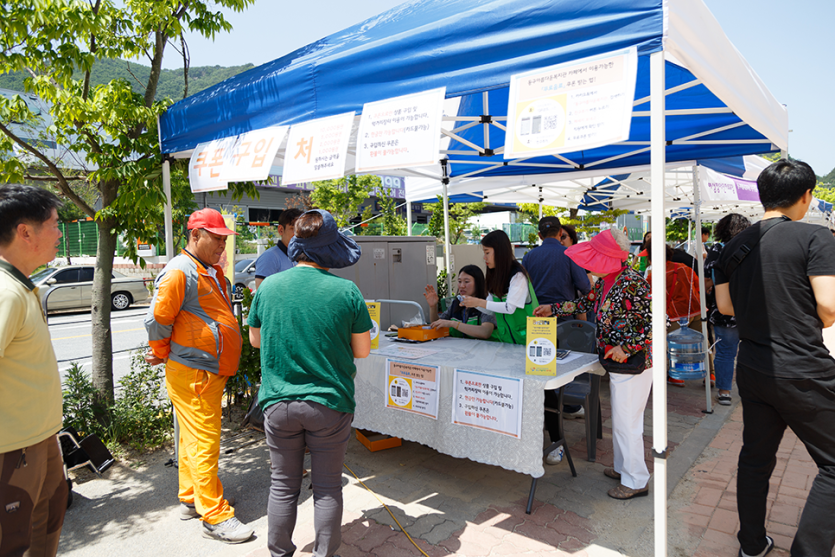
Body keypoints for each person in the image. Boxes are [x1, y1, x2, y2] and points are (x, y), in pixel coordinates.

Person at [714, 159, 835, 557]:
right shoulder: (816, 237)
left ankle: (751, 544)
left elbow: (726, 307)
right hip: (803, 368)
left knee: (755, 458)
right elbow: (829, 308)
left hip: (752, 366)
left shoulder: (732, 245)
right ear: (806, 196)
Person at [248, 209, 372, 557]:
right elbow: (361, 350)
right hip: (329, 404)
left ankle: (279, 552)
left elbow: (256, 340)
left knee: (283, 485)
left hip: (277, 402)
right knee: (328, 487)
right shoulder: (346, 291)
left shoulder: (268, 286)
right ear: (330, 250)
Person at [144, 208, 253, 544]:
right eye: (216, 238)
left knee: (194, 438)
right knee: (205, 441)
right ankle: (215, 515)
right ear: (195, 235)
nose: (222, 245)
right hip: (194, 371)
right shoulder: (180, 271)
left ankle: (192, 498)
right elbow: (157, 320)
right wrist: (162, 352)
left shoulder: (203, 269)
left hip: (200, 369)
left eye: (224, 239)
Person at [535, 229, 654, 500]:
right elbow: (584, 301)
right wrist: (552, 309)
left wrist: (626, 347)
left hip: (633, 362)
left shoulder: (633, 282)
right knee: (624, 420)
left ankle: (636, 480)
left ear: (609, 257)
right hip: (619, 362)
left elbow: (650, 322)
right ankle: (624, 468)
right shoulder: (608, 281)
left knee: (628, 423)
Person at [0, 185, 67, 556]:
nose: (60, 233)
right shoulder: (5, 293)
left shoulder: (19, 287)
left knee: (45, 529)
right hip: (12, 452)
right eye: (54, 224)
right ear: (25, 232)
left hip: (39, 440)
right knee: (15, 543)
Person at [459, 229, 538, 345]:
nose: (484, 258)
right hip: (507, 341)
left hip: (530, 341)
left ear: (500, 251)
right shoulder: (494, 275)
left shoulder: (518, 275)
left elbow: (509, 308)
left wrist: (479, 302)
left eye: (487, 252)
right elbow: (490, 310)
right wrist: (472, 303)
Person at [704, 214, 750, 405]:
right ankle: (751, 390)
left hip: (724, 309)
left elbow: (707, 277)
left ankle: (725, 392)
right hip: (750, 308)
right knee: (750, 351)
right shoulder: (754, 247)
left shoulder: (718, 248)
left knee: (725, 352)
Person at [647, 244, 701, 388]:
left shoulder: (655, 274)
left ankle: (676, 377)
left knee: (671, 346)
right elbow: (697, 286)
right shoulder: (684, 267)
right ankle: (711, 374)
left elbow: (649, 296)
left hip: (674, 314)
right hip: (695, 309)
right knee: (702, 345)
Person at [522, 216, 590, 323]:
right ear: (560, 232)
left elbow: (523, 289)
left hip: (537, 316)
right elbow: (585, 287)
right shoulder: (571, 255)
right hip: (564, 317)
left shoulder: (528, 257)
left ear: (540, 235)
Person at [423, 264, 496, 339]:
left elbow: (485, 332)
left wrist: (454, 324)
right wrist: (433, 307)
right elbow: (438, 324)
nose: (462, 286)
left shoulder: (485, 303)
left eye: (466, 281)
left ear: (478, 283)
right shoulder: (456, 303)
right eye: (459, 281)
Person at [254, 208, 303, 289]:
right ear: (280, 230)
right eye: (293, 229)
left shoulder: (303, 255)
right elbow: (262, 294)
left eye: (301, 229)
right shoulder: (269, 257)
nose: (298, 233)